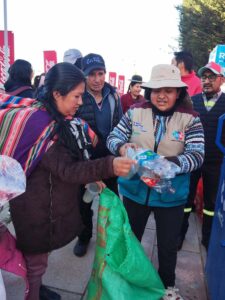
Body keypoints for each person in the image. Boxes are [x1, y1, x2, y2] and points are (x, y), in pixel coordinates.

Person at [0, 62, 135, 300]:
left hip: (42, 204)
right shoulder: (42, 125)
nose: (80, 102)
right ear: (56, 94)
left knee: (39, 261)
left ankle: (37, 288)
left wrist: (96, 171)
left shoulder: (51, 117)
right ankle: (33, 293)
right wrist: (109, 165)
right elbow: (68, 170)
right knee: (36, 265)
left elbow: (71, 159)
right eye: (77, 96)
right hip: (36, 211)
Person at [107, 64, 204, 299]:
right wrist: (122, 146)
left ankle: (166, 288)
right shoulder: (134, 112)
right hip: (134, 192)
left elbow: (197, 154)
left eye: (169, 90)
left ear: (178, 93)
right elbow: (114, 137)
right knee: (130, 242)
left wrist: (163, 164)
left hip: (170, 196)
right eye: (157, 90)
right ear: (149, 91)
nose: (162, 95)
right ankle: (128, 284)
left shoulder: (190, 119)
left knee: (168, 248)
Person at [73, 53, 123, 257]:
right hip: (85, 159)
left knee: (111, 199)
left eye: (100, 73)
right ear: (84, 76)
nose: (96, 79)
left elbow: (120, 124)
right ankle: (84, 236)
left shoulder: (113, 95)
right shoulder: (78, 96)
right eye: (91, 74)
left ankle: (111, 237)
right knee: (83, 202)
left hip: (109, 158)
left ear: (105, 73)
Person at [178, 61, 225, 251]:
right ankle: (180, 234)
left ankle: (207, 237)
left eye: (211, 77)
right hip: (193, 159)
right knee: (186, 199)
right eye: (203, 77)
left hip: (216, 162)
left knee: (210, 202)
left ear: (221, 79)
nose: (206, 81)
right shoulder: (192, 101)